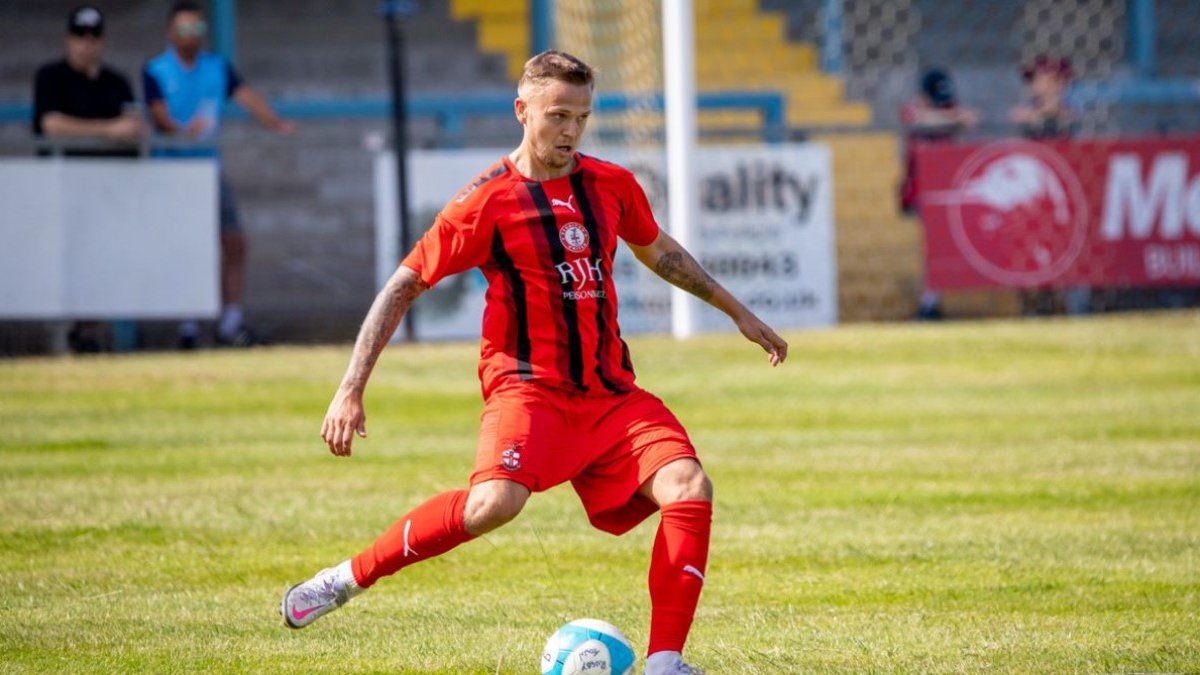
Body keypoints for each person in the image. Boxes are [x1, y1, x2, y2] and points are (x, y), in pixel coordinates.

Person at [280, 50, 789, 675]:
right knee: (492, 505)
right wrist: (350, 387)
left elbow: (659, 251)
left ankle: (665, 663)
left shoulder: (610, 184)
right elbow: (404, 284)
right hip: (529, 391)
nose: (571, 131)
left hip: (609, 392)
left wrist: (737, 311)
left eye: (581, 117)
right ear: (523, 111)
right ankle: (344, 579)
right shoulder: (485, 202)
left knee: (688, 485)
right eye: (557, 116)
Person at [142, 1, 296, 349]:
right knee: (186, 248)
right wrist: (183, 132)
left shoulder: (215, 67)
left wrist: (276, 123)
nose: (191, 35)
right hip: (174, 173)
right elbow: (160, 116)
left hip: (209, 169)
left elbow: (246, 96)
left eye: (197, 28)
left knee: (234, 242)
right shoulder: (157, 70)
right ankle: (188, 325)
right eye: (184, 28)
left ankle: (231, 322)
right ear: (170, 32)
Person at [33, 5, 148, 353]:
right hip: (62, 187)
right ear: (68, 39)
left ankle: (90, 332)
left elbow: (133, 127)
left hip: (107, 189)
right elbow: (51, 125)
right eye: (80, 36)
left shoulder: (116, 82)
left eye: (94, 36)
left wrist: (125, 132)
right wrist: (107, 130)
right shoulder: (51, 77)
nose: (87, 43)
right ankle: (66, 331)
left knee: (102, 260)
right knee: (66, 260)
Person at [899, 68, 979, 320]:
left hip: (946, 190)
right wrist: (949, 118)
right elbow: (916, 118)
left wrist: (949, 116)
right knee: (928, 248)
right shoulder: (915, 110)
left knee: (937, 248)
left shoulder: (948, 109)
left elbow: (970, 119)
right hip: (920, 191)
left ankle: (931, 302)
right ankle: (929, 302)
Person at [1010, 54, 1076, 141]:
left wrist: (1046, 113)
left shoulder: (1071, 105)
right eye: (1031, 79)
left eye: (1037, 78)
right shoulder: (1027, 106)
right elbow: (1017, 116)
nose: (1032, 83)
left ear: (1059, 81)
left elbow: (1071, 115)